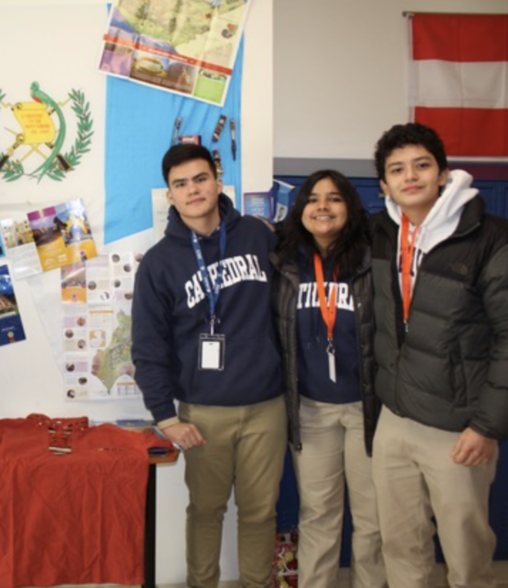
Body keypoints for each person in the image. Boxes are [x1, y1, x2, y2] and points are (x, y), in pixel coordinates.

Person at [132, 143, 286, 588]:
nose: (192, 190)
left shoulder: (259, 235)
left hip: (266, 406)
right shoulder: (159, 263)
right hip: (202, 413)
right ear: (170, 196)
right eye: (180, 184)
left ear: (219, 183)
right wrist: (165, 416)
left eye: (200, 179)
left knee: (260, 511)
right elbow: (148, 347)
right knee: (205, 511)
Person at [370, 122, 508, 587]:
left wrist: (487, 425)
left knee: (467, 557)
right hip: (395, 418)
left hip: (458, 429)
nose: (411, 177)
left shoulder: (490, 238)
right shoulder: (382, 235)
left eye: (422, 165)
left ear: (444, 173)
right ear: (384, 184)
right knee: (401, 547)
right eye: (397, 169)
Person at [271, 170, 385, 587]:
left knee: (373, 518)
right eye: (314, 198)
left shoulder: (373, 258)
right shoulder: (284, 261)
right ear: (300, 210)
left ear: (349, 208)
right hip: (311, 409)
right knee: (317, 514)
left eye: (334, 198)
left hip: (366, 409)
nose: (323, 206)